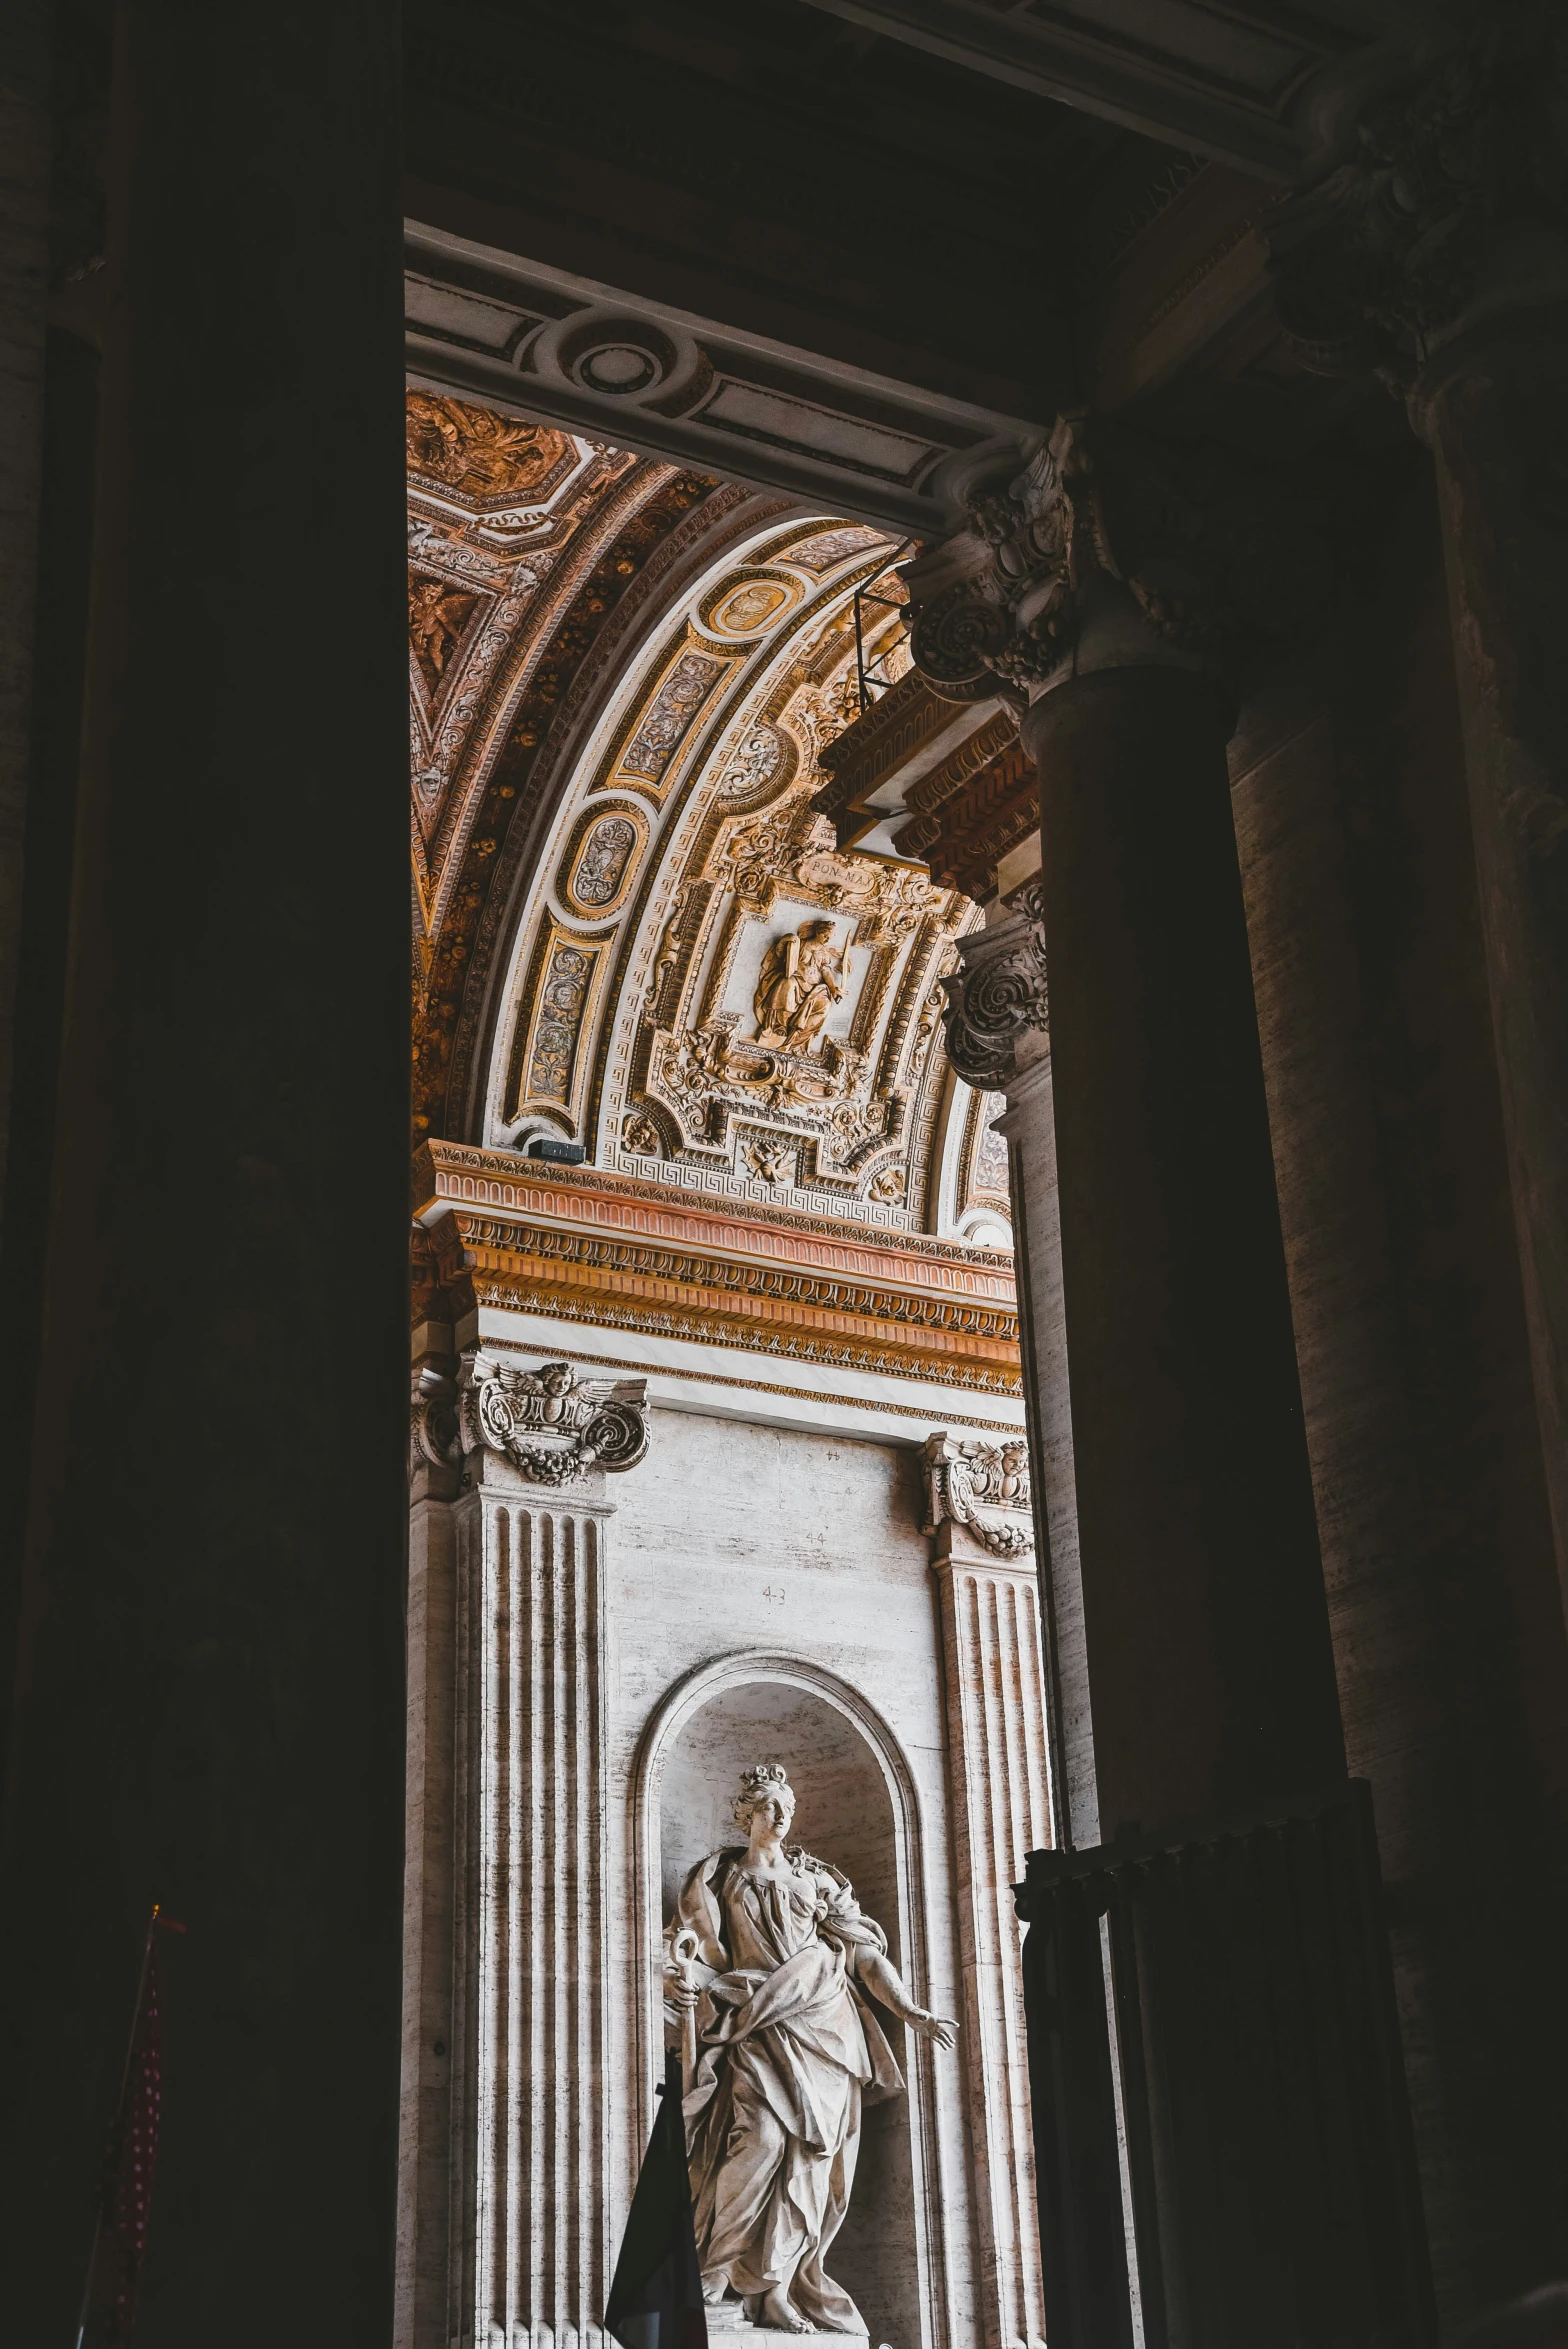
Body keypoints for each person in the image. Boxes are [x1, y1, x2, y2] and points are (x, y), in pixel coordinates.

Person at [663, 1763, 957, 2336]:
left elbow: (866, 1956)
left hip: (827, 2028)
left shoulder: (818, 1879)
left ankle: (777, 2290)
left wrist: (910, 2011)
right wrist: (680, 1980)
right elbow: (691, 1955)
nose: (782, 1815)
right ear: (747, 1813)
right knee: (759, 2143)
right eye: (771, 1805)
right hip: (755, 2023)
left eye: (788, 1806)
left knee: (814, 2167)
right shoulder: (718, 1880)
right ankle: (714, 2273)